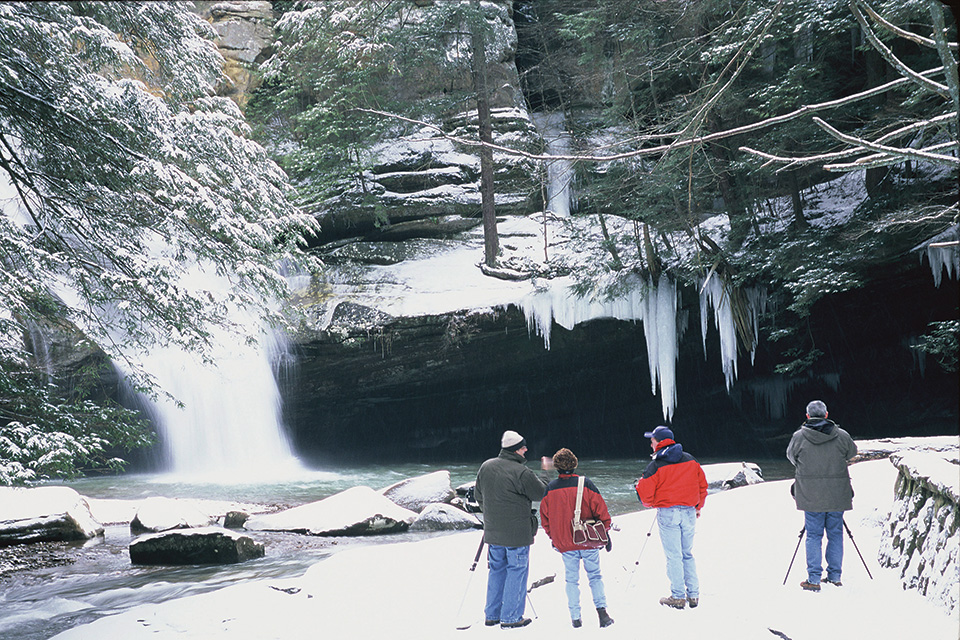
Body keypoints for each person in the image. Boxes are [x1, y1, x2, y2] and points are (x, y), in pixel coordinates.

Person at [474, 430, 548, 629]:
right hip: (517, 535)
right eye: (523, 447)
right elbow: (541, 492)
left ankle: (492, 615)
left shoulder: (486, 466)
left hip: (493, 532)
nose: (526, 449)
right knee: (517, 571)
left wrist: (491, 514)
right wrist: (545, 473)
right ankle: (511, 617)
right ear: (515, 450)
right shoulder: (521, 472)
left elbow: (478, 494)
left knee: (496, 571)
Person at [786, 400, 858, 592]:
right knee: (835, 534)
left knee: (813, 535)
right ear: (826, 415)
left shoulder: (799, 437)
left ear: (807, 416)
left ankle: (814, 578)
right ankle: (835, 577)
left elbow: (791, 457)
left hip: (810, 494)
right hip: (837, 493)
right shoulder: (842, 435)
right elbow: (852, 453)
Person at [539, 448, 615, 629]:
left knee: (571, 580)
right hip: (588, 540)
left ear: (556, 467)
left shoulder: (550, 489)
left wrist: (555, 538)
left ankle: (575, 618)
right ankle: (602, 614)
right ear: (574, 464)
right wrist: (604, 532)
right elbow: (602, 512)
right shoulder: (586, 484)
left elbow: (545, 520)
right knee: (595, 576)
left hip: (565, 544)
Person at [635, 425, 707, 610]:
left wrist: (652, 503)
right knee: (687, 554)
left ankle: (677, 596)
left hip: (668, 513)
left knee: (674, 556)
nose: (650, 443)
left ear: (659, 442)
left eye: (652, 440)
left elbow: (645, 495)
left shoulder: (656, 465)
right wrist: (698, 506)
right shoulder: (690, 460)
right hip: (689, 511)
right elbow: (702, 485)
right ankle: (693, 595)